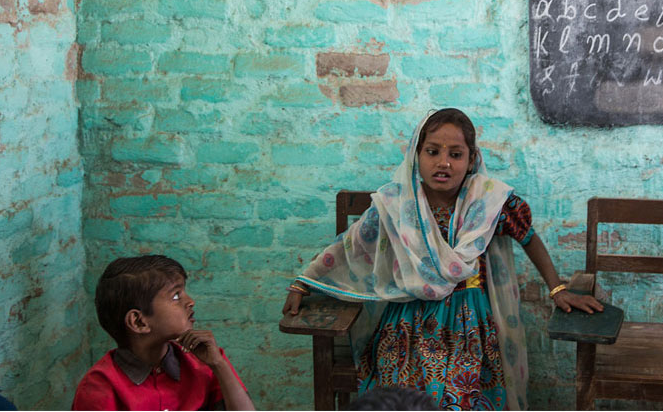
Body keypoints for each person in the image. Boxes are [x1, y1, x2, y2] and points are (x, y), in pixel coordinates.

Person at [284, 108, 604, 410]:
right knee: (403, 397)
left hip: (469, 325)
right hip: (406, 323)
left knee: (463, 394)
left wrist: (557, 289)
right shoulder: (397, 204)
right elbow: (349, 246)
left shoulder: (487, 201)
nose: (444, 163)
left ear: (471, 158)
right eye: (433, 151)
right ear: (416, 155)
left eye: (456, 154)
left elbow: (529, 238)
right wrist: (304, 283)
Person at [72, 255, 255, 411]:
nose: (190, 301)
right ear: (139, 321)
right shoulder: (99, 387)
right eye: (176, 296)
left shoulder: (205, 361)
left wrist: (219, 365)